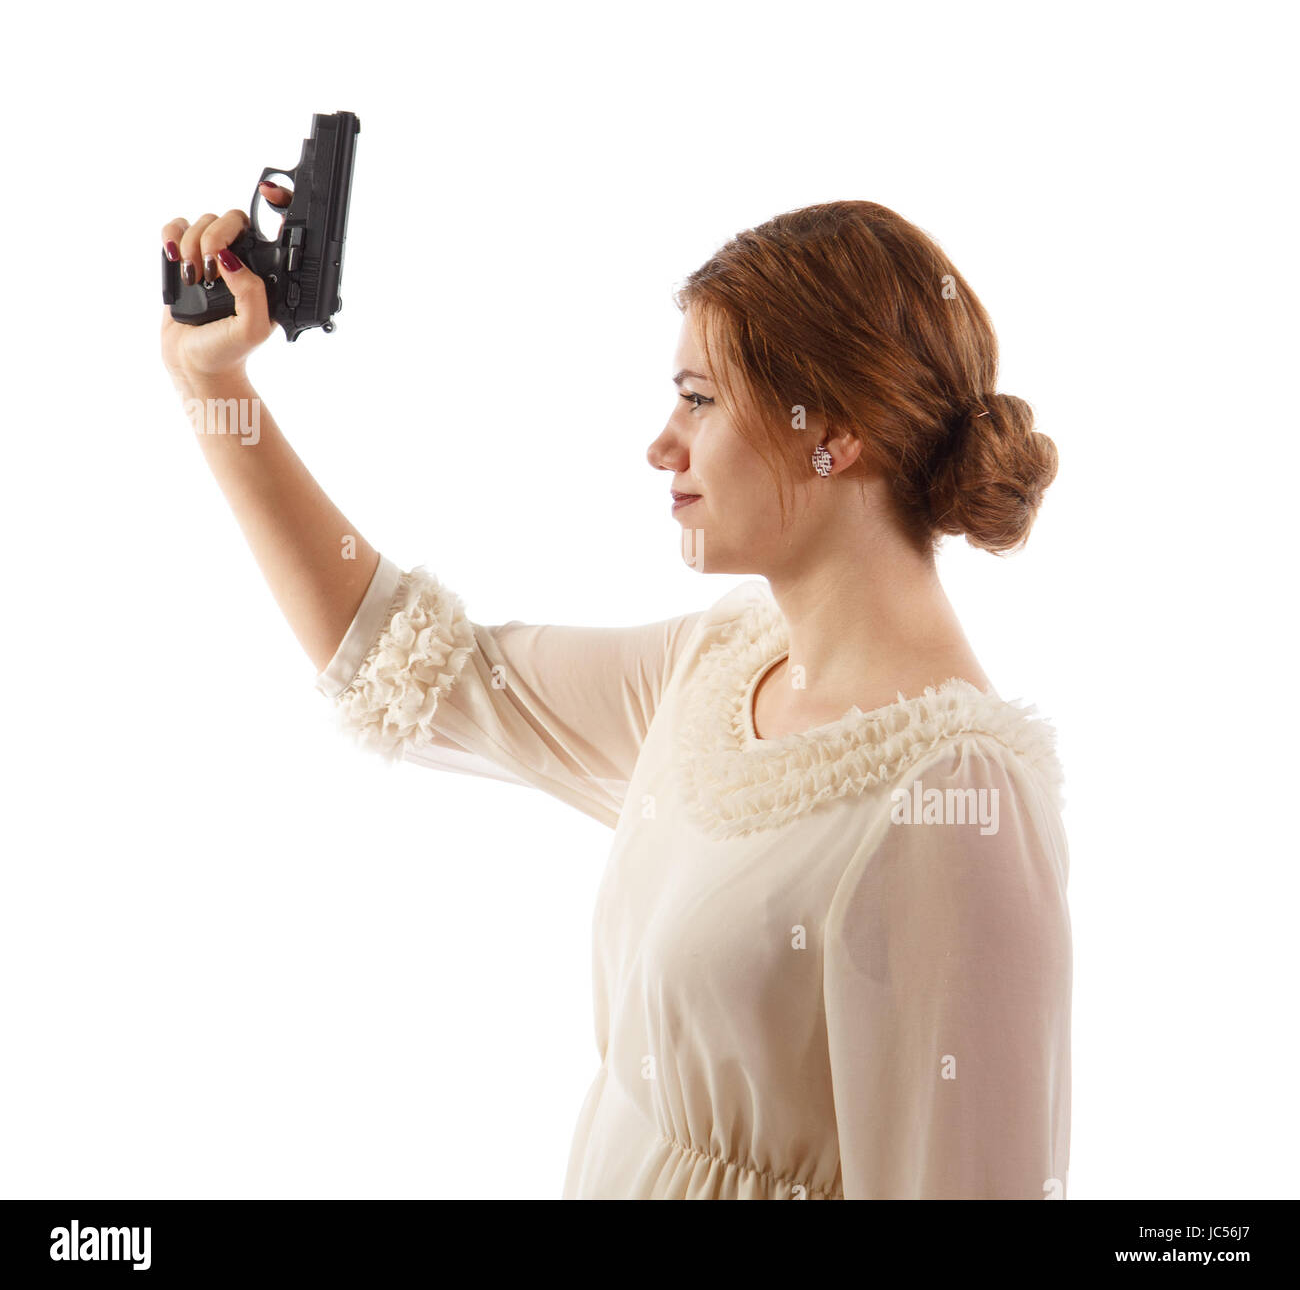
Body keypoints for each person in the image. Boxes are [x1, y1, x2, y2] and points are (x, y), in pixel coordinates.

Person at [159, 195, 1070, 1200]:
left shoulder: (955, 802)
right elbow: (404, 664)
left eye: (700, 398)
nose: (662, 443)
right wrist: (213, 382)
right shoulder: (718, 667)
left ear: (833, 433)